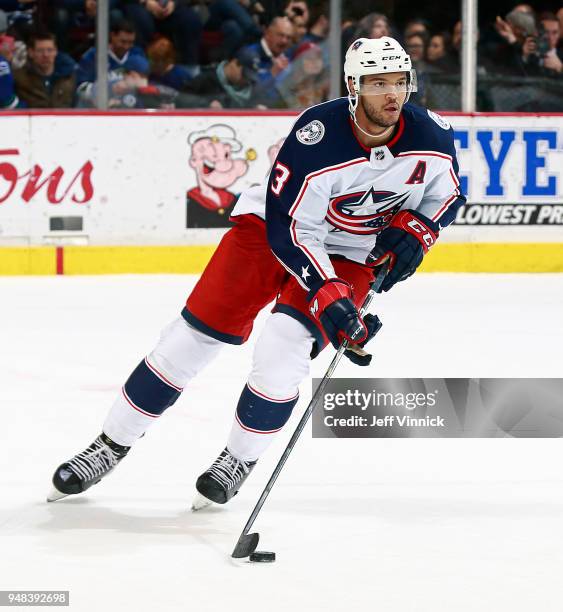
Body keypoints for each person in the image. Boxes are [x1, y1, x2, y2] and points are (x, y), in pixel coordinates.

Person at [47, 36, 465, 507]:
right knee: (190, 340)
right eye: (377, 83)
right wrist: (327, 294)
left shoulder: (431, 134)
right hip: (271, 229)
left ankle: (237, 459)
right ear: (353, 86)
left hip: (353, 251)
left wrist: (419, 230)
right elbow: (291, 230)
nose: (392, 95)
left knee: (283, 350)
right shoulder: (317, 135)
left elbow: (448, 194)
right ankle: (108, 445)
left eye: (399, 82)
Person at [13, 30, 76, 108]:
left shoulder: (69, 77)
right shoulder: (19, 79)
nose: (45, 55)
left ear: (56, 51)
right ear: (30, 52)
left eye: (50, 50)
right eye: (40, 51)